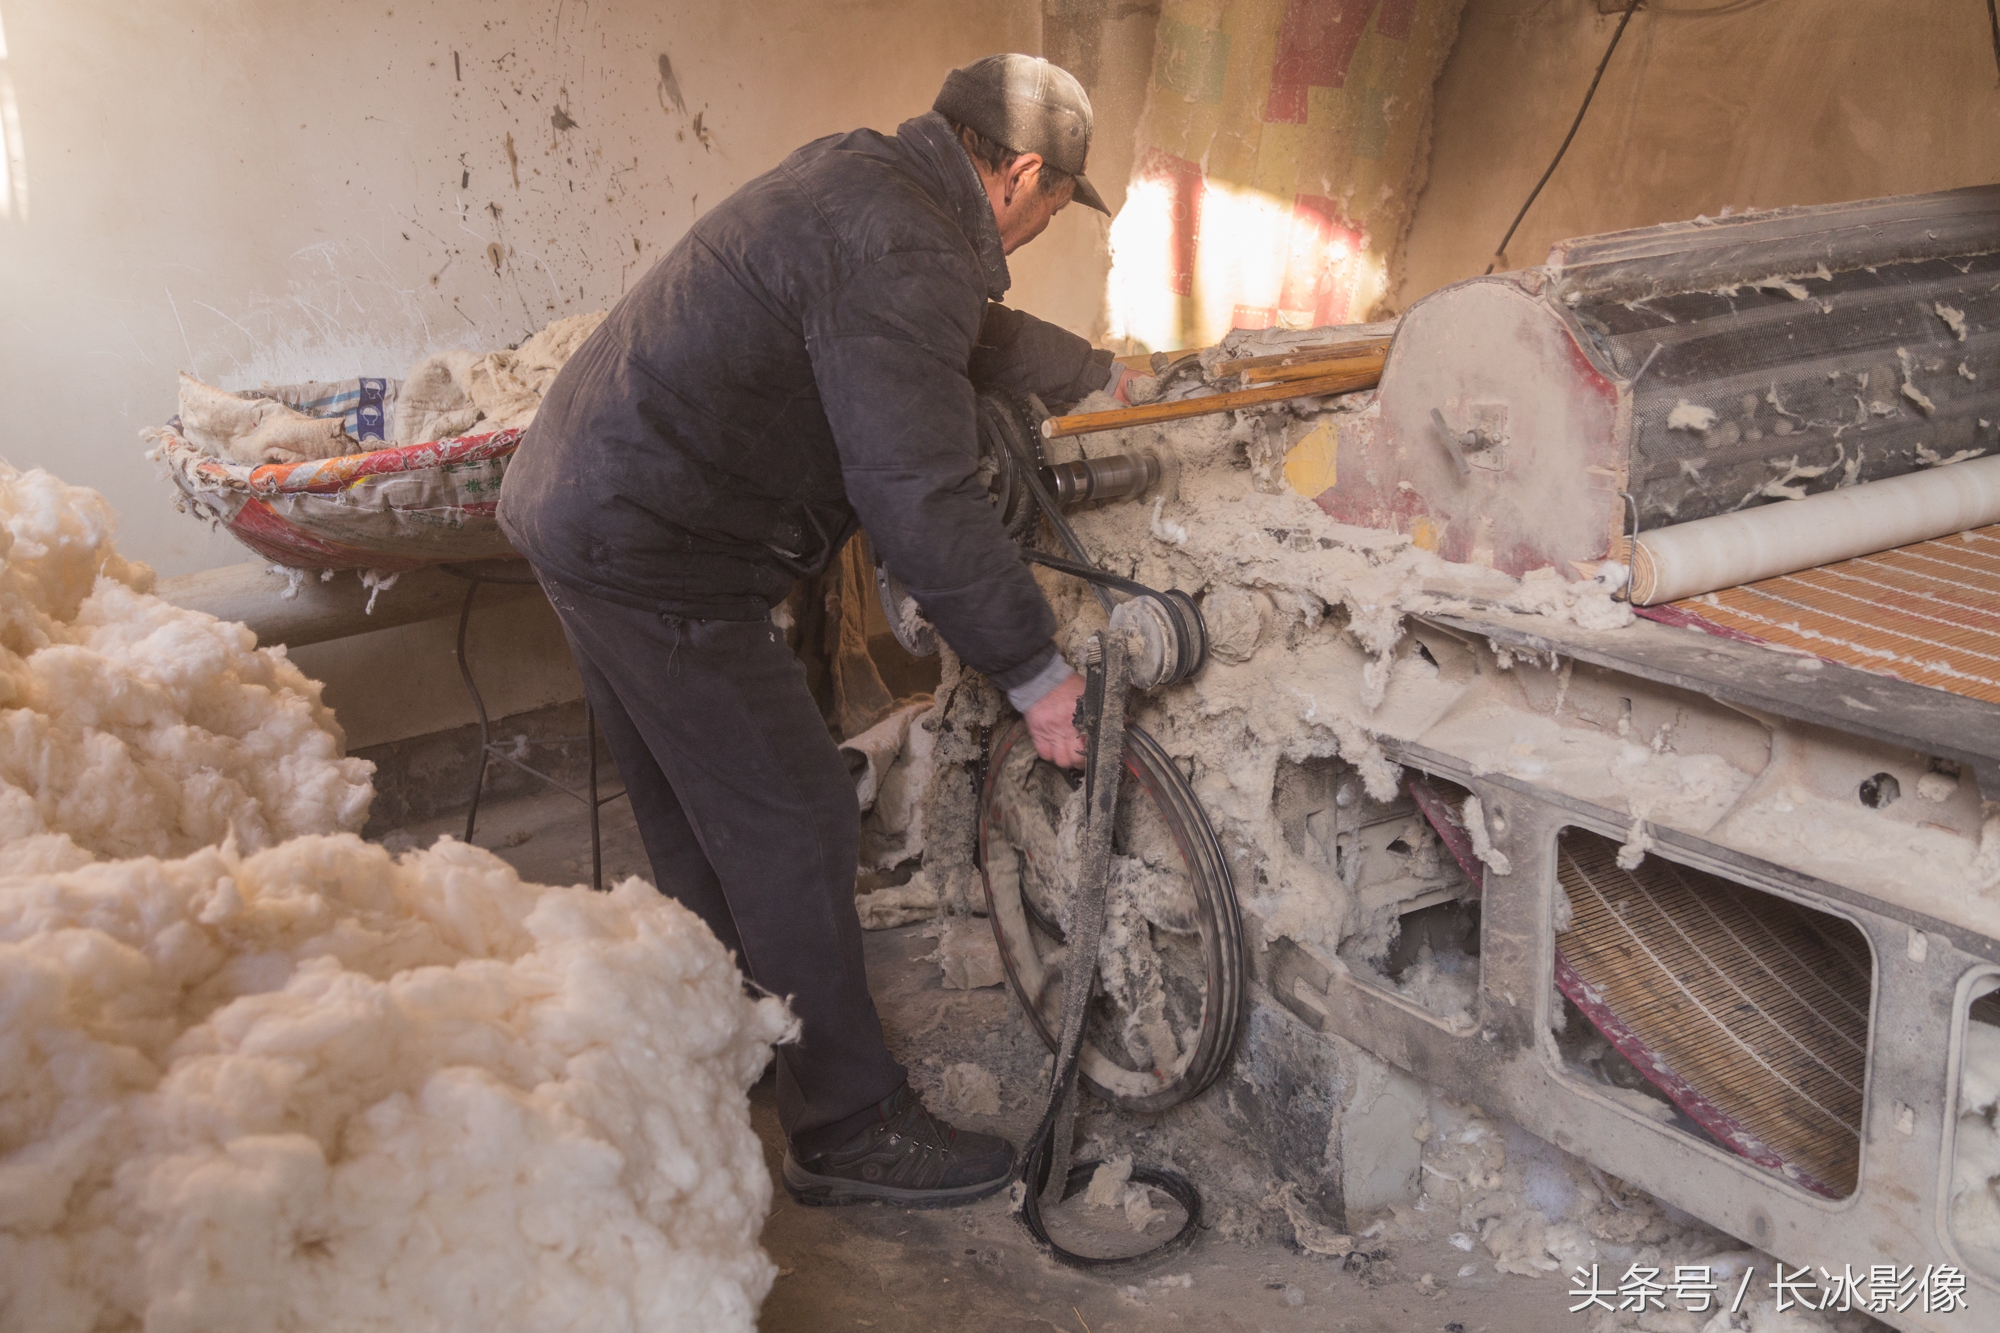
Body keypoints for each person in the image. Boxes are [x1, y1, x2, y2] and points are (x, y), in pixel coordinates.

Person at [498, 54, 1140, 1208]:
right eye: (1056, 204)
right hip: (656, 547)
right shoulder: (901, 243)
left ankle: (734, 1035)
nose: (1048, 224)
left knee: (705, 812)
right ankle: (844, 1124)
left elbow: (952, 338)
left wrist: (1096, 375)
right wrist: (1038, 673)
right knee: (792, 805)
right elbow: (917, 494)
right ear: (1024, 175)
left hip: (582, 507)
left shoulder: (867, 182)